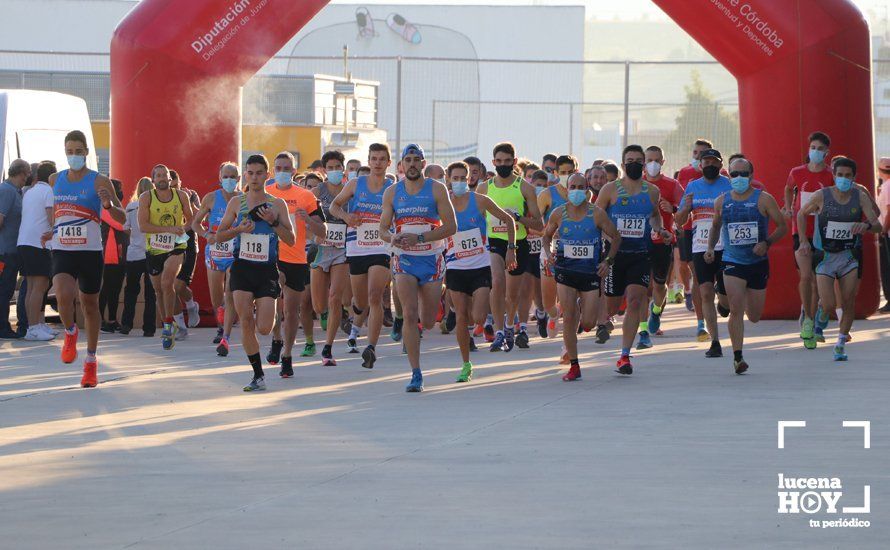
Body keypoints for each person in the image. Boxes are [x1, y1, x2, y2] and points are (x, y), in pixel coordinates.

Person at [50, 130, 126, 387]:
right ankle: (70, 332)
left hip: (90, 251)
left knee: (90, 305)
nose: (74, 156)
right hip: (63, 249)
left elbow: (122, 218)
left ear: (86, 153)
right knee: (62, 294)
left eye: (78, 152)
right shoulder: (55, 180)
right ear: (65, 153)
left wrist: (108, 206)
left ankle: (91, 363)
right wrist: (52, 229)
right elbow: (58, 213)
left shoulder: (99, 181)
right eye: (69, 151)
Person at [379, 143, 457, 392]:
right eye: (407, 160)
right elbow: (382, 229)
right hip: (404, 258)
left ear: (423, 164)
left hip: (431, 257)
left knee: (428, 321)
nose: (412, 164)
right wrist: (392, 238)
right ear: (401, 165)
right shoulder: (392, 193)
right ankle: (416, 373)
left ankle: (441, 295)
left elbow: (451, 227)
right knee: (411, 314)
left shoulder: (437, 189)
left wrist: (421, 238)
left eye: (416, 159)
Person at [215, 154, 296, 391]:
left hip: (267, 270)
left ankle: (277, 338)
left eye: (259, 173)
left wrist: (272, 222)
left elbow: (291, 239)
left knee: (263, 327)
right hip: (242, 267)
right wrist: (238, 229)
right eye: (250, 173)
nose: (254, 177)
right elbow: (218, 236)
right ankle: (258, 374)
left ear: (267, 175)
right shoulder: (236, 203)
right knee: (246, 321)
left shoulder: (277, 204)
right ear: (245, 174)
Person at [704, 157, 787, 374]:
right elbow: (715, 226)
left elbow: (782, 226)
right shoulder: (721, 201)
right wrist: (711, 248)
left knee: (755, 316)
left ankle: (722, 299)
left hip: (757, 263)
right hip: (732, 261)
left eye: (743, 174)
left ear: (751, 176)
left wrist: (767, 243)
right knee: (736, 308)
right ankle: (737, 357)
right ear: (728, 175)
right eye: (734, 174)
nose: (738, 178)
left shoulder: (764, 199)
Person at [595, 145, 673, 374]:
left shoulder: (651, 192)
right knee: (612, 307)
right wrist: (606, 238)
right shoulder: (610, 190)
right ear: (622, 164)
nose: (635, 164)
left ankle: (624, 356)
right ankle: (605, 319)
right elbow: (597, 218)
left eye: (639, 160)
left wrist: (661, 231)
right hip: (614, 256)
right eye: (630, 160)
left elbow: (655, 217)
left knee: (636, 301)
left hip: (639, 255)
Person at [796, 157, 881, 361]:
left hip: (848, 256)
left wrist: (866, 226)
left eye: (848, 176)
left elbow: (877, 224)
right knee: (827, 303)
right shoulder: (821, 195)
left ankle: (840, 344)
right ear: (834, 176)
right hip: (825, 256)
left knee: (848, 301)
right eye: (840, 175)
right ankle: (822, 316)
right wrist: (803, 241)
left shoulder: (859, 197)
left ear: (854, 177)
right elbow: (801, 214)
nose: (843, 179)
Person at [543, 173, 620, 381]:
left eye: (581, 187)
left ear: (587, 190)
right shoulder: (558, 213)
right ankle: (574, 366)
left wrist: (608, 262)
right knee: (568, 317)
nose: (576, 191)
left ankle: (579, 312)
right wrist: (550, 254)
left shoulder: (597, 214)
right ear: (567, 189)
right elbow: (546, 235)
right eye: (572, 187)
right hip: (566, 271)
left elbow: (616, 238)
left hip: (589, 274)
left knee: (588, 323)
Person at [444, 160, 515, 382]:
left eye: (462, 178)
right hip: (455, 266)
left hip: (479, 265)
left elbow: (509, 220)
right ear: (448, 179)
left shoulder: (480, 200)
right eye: (454, 178)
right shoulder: (443, 203)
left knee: (479, 317)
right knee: (463, 317)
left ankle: (476, 319)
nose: (458, 182)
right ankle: (466, 364)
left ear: (469, 179)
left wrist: (511, 249)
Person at [330, 143, 395, 369]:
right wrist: (347, 217)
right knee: (360, 301)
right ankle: (356, 324)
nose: (377, 163)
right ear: (369, 161)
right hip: (358, 247)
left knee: (375, 296)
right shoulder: (356, 184)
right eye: (373, 158)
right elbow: (334, 207)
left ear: (389, 163)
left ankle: (371, 347)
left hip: (381, 247)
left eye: (381, 159)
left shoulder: (393, 187)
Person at [478, 142, 544, 352]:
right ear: (493, 162)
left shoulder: (525, 187)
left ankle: (509, 326)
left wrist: (517, 217)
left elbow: (539, 225)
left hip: (518, 244)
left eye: (507, 161)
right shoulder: (484, 188)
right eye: (499, 161)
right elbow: (477, 219)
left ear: (514, 162)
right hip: (494, 242)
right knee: (497, 282)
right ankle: (498, 331)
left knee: (512, 295)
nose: (503, 165)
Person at [265, 151, 326, 376]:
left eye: (286, 168)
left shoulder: (306, 196)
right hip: (270, 257)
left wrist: (308, 220)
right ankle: (276, 337)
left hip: (296, 258)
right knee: (273, 306)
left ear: (294, 171)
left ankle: (287, 354)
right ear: (272, 171)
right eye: (278, 168)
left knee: (291, 310)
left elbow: (323, 230)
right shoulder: (265, 194)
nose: (282, 172)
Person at [675, 148, 733, 359]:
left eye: (713, 162)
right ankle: (715, 342)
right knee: (706, 291)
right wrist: (685, 209)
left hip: (726, 246)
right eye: (706, 162)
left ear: (720, 165)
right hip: (701, 246)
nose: (710, 165)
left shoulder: (728, 185)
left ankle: (724, 299)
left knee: (726, 299)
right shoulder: (692, 186)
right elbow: (680, 221)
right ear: (700, 165)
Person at [783, 131, 835, 348]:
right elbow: (788, 188)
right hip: (800, 231)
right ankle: (807, 318)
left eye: (820, 149)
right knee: (806, 277)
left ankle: (812, 318)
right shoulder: (797, 172)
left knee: (818, 282)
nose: (816, 151)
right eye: (813, 147)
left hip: (824, 234)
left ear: (826, 153)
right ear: (808, 149)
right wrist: (788, 206)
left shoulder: (832, 175)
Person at [138, 164, 195, 351]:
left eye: (165, 176)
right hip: (154, 248)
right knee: (158, 290)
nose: (162, 178)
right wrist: (169, 229)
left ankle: (169, 326)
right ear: (153, 180)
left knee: (167, 282)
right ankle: (167, 322)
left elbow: (191, 220)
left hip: (176, 246)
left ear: (170, 180)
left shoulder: (181, 196)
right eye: (158, 176)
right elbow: (143, 226)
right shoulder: (146, 197)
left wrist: (181, 231)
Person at [191, 162, 241, 355]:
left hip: (234, 251)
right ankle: (221, 321)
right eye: (225, 176)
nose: (229, 180)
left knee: (230, 292)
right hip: (215, 251)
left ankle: (224, 333)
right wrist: (206, 235)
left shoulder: (242, 199)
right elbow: (196, 223)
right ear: (220, 178)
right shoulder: (211, 198)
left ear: (238, 179)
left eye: (233, 176)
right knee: (216, 297)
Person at [311, 150, 352, 365]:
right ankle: (327, 316)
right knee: (319, 306)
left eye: (338, 166)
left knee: (335, 297)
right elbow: (307, 219)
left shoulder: (350, 191)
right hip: (320, 249)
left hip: (342, 249)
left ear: (343, 169)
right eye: (331, 167)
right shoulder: (317, 191)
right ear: (324, 170)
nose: (335, 170)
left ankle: (328, 348)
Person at [642, 146, 683, 343]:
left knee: (659, 285)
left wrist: (673, 208)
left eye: (657, 160)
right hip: (639, 242)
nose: (653, 164)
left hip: (663, 240)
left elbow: (685, 209)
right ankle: (642, 328)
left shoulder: (672, 184)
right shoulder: (636, 184)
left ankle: (656, 311)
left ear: (663, 162)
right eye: (649, 160)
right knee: (640, 286)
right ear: (643, 161)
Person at [17, 160, 57, 341]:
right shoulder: (48, 191)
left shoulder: (30, 192)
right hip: (38, 243)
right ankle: (33, 328)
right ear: (51, 177)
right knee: (39, 287)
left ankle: (36, 325)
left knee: (32, 287)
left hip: (24, 242)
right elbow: (51, 219)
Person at [536, 158, 571, 340]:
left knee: (569, 295)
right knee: (549, 301)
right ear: (556, 173)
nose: (567, 176)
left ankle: (568, 337)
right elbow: (534, 222)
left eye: (570, 172)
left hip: (574, 251)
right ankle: (554, 314)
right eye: (563, 173)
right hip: (551, 250)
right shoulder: (546, 195)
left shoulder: (583, 193)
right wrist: (548, 231)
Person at [121, 177, 157, 337]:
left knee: (131, 290)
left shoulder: (130, 207)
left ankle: (126, 324)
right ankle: (149, 328)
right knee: (151, 293)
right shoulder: (155, 205)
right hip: (152, 252)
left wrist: (136, 236)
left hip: (134, 252)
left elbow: (126, 229)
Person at [1, 160, 32, 339]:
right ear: (20, 173)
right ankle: (2, 327)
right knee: (4, 290)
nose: (27, 178)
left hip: (11, 250)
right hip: (5, 251)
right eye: (26, 174)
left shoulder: (16, 192)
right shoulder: (6, 191)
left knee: (7, 289)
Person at [169, 170, 202, 336]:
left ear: (180, 182)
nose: (174, 189)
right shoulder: (160, 198)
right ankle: (180, 325)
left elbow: (199, 218)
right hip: (168, 244)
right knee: (170, 286)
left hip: (188, 243)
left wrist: (189, 203)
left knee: (180, 285)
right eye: (171, 186)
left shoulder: (191, 195)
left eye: (176, 185)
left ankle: (190, 304)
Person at [98, 179, 128, 334]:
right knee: (108, 287)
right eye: (119, 189)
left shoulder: (116, 208)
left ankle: (111, 319)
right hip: (111, 253)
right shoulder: (105, 209)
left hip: (120, 252)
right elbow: (122, 225)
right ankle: (101, 319)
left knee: (115, 288)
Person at [875, 157, 890, 313]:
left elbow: (889, 211)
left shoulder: (887, 187)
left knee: (887, 268)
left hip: (887, 233)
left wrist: (884, 229)